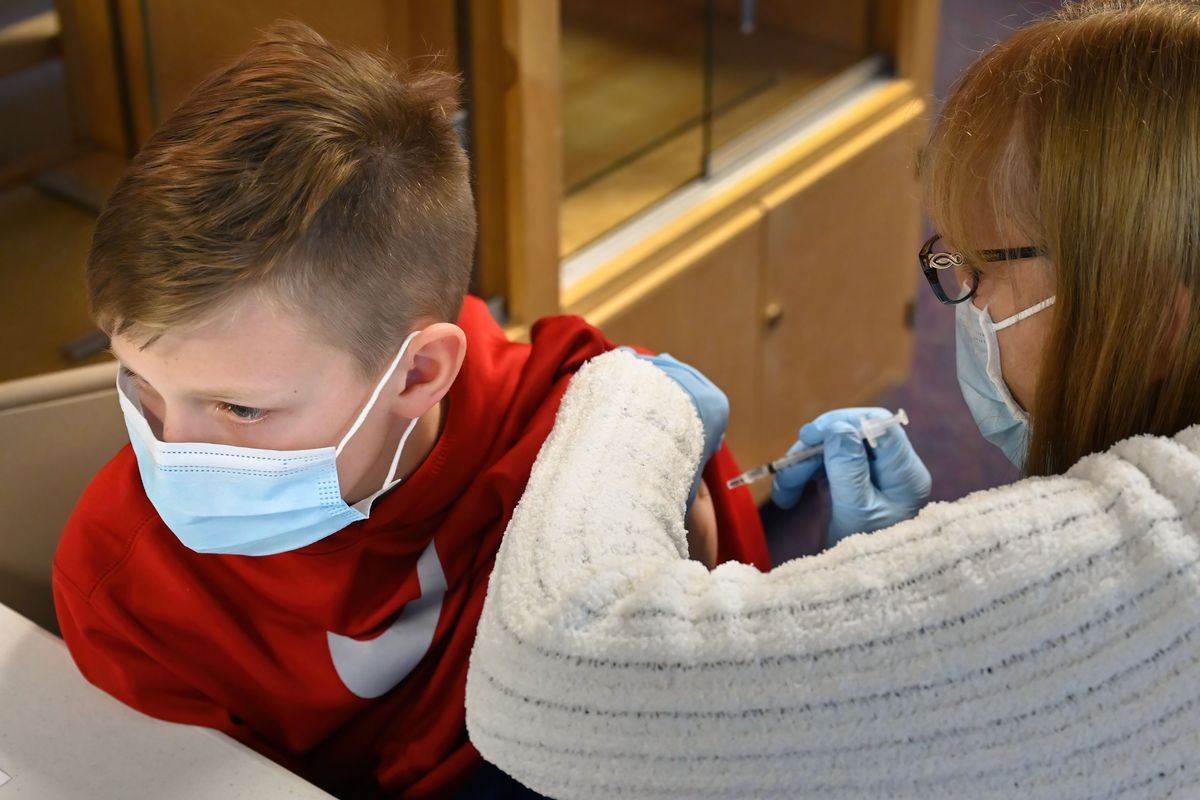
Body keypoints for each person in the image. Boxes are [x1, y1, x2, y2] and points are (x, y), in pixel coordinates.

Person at [465, 1, 1200, 797]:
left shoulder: (1148, 571)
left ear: (1157, 318)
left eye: (981, 272)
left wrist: (629, 390)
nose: (966, 305)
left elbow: (557, 679)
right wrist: (911, 586)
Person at [50, 22, 769, 800]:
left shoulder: (600, 449)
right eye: (142, 385)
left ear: (418, 373)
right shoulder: (124, 580)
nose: (172, 457)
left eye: (239, 409)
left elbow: (735, 735)